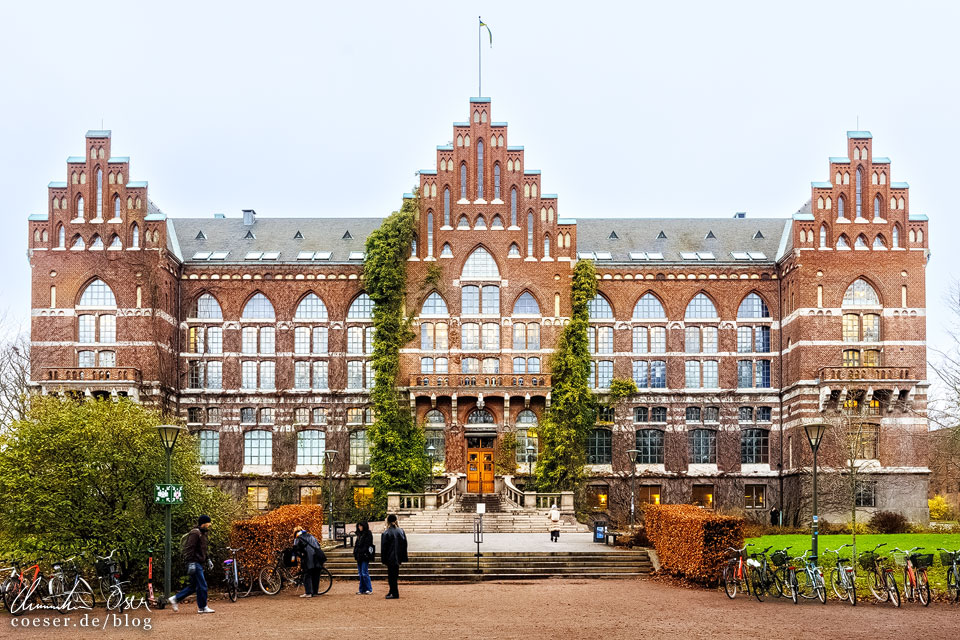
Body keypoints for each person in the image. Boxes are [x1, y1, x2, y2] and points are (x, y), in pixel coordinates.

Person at [168, 515, 215, 614]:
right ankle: (203, 607)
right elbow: (189, 548)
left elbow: (203, 549)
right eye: (208, 522)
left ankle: (175, 598)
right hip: (195, 562)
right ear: (204, 523)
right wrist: (191, 562)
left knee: (193, 586)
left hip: (198, 562)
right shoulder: (195, 533)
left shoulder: (202, 533)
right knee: (202, 585)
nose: (210, 525)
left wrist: (208, 559)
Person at [380, 514, 407, 599]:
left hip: (390, 557)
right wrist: (403, 557)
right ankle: (392, 591)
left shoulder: (386, 532)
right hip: (398, 557)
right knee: (394, 575)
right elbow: (404, 545)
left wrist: (383, 559)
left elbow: (384, 547)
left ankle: (394, 593)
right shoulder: (401, 531)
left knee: (391, 576)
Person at [293, 527, 326, 598]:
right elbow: (318, 545)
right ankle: (315, 592)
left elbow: (296, 550)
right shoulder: (311, 536)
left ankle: (308, 592)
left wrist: (300, 556)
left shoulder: (298, 538)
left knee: (307, 575)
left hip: (308, 559)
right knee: (316, 575)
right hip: (317, 557)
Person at [353, 521, 374, 595]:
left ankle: (368, 588)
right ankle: (362, 589)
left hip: (364, 555)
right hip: (360, 555)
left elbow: (368, 545)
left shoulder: (367, 534)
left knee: (364, 573)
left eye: (360, 526)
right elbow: (356, 545)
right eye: (359, 526)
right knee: (361, 573)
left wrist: (360, 551)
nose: (359, 528)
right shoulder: (359, 534)